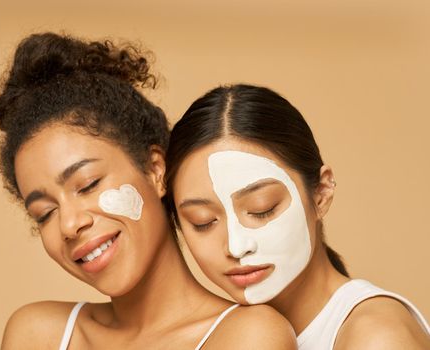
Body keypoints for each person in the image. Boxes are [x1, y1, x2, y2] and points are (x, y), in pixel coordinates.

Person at [0, 34, 297, 349]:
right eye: (45, 213)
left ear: (155, 170)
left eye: (88, 185)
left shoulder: (248, 336)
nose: (68, 225)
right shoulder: (38, 335)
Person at [165, 84, 430, 349]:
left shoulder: (377, 337)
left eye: (262, 209)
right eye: (203, 222)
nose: (236, 245)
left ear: (321, 193)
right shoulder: (222, 337)